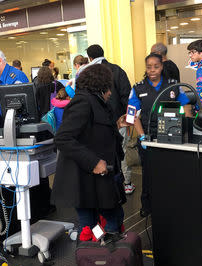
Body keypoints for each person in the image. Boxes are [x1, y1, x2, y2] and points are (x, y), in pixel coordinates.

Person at [51, 64, 129, 235]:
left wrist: (116, 125)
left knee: (99, 224)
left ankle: (99, 255)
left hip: (99, 180)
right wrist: (93, 162)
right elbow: (63, 138)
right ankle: (101, 256)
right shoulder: (83, 102)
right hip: (86, 180)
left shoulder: (97, 102)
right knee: (96, 225)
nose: (110, 93)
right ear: (101, 86)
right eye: (109, 88)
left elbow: (90, 132)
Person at [127, 53, 190, 217]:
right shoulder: (137, 88)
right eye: (149, 67)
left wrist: (187, 130)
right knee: (148, 174)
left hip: (172, 137)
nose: (152, 70)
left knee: (171, 172)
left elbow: (187, 108)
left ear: (162, 67)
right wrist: (141, 137)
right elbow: (132, 116)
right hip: (148, 137)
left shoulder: (173, 85)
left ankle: (172, 203)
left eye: (156, 66)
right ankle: (147, 205)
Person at [86, 44, 135, 196]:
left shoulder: (88, 73)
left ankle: (106, 184)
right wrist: (130, 120)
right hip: (119, 119)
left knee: (101, 152)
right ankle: (126, 183)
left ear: (90, 57)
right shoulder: (117, 70)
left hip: (97, 124)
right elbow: (128, 96)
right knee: (122, 151)